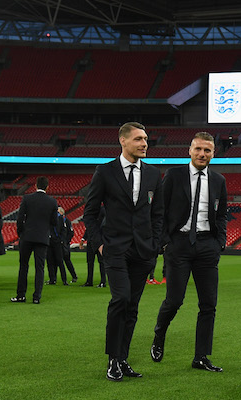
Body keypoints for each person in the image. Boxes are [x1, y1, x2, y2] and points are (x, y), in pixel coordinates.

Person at [83, 122, 164, 382]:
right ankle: (112, 360)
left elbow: (158, 214)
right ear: (123, 141)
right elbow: (90, 212)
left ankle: (123, 359)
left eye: (146, 139)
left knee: (132, 306)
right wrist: (99, 244)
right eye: (139, 139)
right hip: (115, 249)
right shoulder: (105, 172)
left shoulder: (153, 174)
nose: (144, 144)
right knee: (120, 299)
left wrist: (155, 245)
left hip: (143, 251)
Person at [151, 132, 228, 373]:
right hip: (180, 245)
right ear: (190, 150)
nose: (202, 154)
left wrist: (219, 243)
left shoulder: (219, 181)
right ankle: (159, 335)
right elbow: (159, 210)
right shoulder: (174, 175)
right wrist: (165, 242)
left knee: (208, 305)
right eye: (198, 149)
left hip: (207, 246)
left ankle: (201, 356)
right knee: (174, 301)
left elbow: (222, 213)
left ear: (213, 153)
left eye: (207, 150)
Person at [12, 176, 58, 304]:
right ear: (47, 187)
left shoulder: (27, 198)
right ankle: (36, 297)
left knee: (23, 266)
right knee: (40, 268)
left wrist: (21, 232)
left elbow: (20, 218)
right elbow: (54, 221)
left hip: (27, 236)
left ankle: (21, 295)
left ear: (36, 186)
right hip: (42, 237)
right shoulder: (52, 202)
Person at [81, 205, 106, 288]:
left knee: (99, 262)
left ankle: (101, 281)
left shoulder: (101, 211)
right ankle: (91, 281)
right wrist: (83, 238)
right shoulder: (97, 211)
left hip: (98, 240)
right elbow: (89, 228)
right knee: (92, 262)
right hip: (93, 240)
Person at [45, 209, 67, 285]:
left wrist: (61, 240)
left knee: (59, 261)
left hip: (56, 241)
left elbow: (64, 230)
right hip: (49, 241)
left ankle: (64, 279)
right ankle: (52, 279)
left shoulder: (59, 217)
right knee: (50, 261)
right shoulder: (48, 217)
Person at [58, 207, 78, 283]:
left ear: (62, 213)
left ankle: (74, 276)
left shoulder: (67, 221)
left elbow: (71, 233)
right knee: (57, 261)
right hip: (59, 243)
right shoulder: (57, 221)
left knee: (67, 260)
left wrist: (66, 241)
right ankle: (54, 278)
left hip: (65, 244)